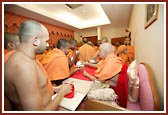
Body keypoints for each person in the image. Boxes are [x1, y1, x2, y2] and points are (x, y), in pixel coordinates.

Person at [4, 20, 72, 111]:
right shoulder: (24, 66)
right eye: (46, 41)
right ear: (35, 40)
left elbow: (34, 87)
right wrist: (62, 93)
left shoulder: (28, 57)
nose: (47, 45)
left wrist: (55, 89)